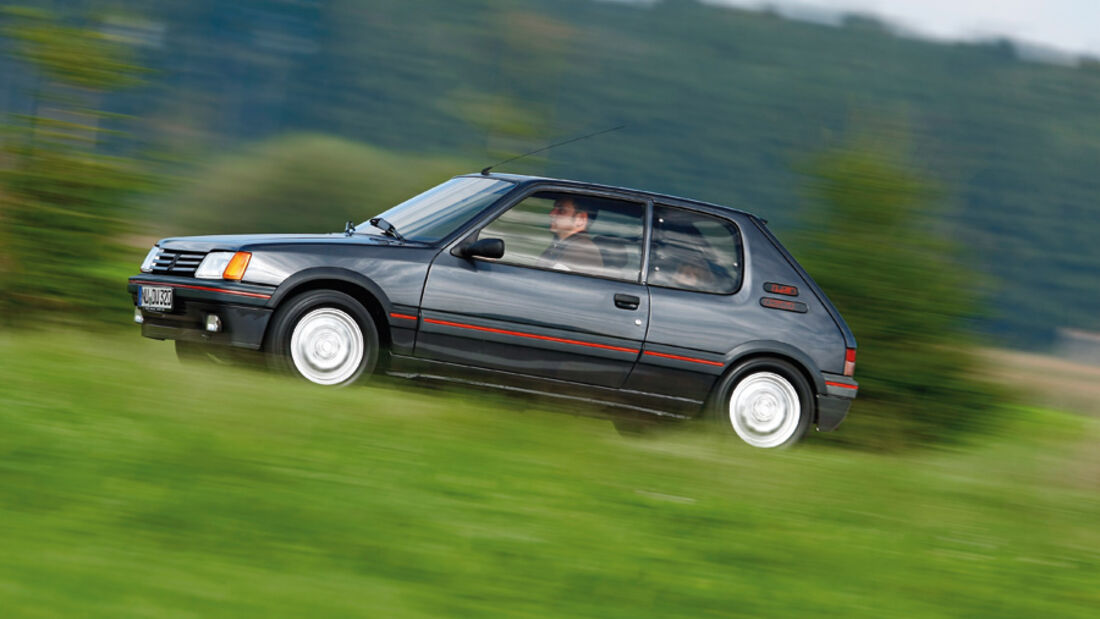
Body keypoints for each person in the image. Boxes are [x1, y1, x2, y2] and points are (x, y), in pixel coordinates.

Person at [538, 196, 603, 272]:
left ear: (580, 219)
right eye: (554, 209)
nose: (551, 213)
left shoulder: (581, 250)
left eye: (561, 211)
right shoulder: (562, 245)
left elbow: (550, 280)